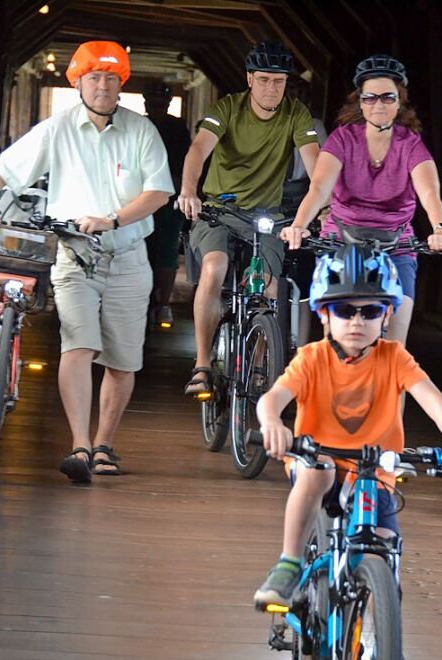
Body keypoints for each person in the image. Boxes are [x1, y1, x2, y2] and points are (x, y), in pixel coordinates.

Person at [252, 245, 442, 660]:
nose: (357, 321)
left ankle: (388, 656)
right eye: (343, 310)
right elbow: (272, 398)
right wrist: (273, 423)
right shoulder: (312, 358)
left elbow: (432, 398)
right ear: (324, 316)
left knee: (384, 552)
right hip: (317, 457)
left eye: (371, 310)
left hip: (374, 468)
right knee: (316, 475)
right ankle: (290, 563)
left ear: (387, 315)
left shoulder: (394, 358)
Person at [0, 40, 173, 482]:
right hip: (73, 255)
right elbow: (9, 169)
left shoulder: (142, 131)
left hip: (128, 256)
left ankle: (105, 443)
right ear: (78, 82)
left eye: (111, 77)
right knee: (78, 345)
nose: (103, 86)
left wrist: (112, 219)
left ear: (121, 83)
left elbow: (158, 192)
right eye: (94, 77)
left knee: (123, 361)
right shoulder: (56, 129)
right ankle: (80, 447)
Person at [177, 41, 321, 396]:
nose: (272, 88)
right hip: (218, 211)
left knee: (271, 285)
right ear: (250, 79)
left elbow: (316, 162)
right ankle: (203, 364)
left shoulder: (296, 114)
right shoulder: (228, 107)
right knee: (214, 267)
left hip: (266, 216)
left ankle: (260, 363)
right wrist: (188, 190)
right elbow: (199, 148)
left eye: (279, 81)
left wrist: (323, 206)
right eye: (265, 80)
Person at [280, 54, 442, 346]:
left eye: (388, 97)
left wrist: (440, 229)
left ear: (400, 102)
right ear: (360, 102)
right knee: (333, 337)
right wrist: (299, 225)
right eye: (370, 98)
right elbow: (320, 186)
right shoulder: (343, 139)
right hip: (342, 240)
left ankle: (388, 389)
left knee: (396, 347)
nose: (379, 105)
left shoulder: (410, 144)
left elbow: (429, 192)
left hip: (396, 245)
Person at [281, 74, 328, 346]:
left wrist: (323, 210)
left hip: (302, 199)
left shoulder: (314, 127)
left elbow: (322, 174)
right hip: (270, 199)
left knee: (304, 280)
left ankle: (300, 348)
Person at [143, 81, 191, 328]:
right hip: (142, 198)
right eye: (152, 103)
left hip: (169, 198)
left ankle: (164, 305)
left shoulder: (176, 128)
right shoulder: (140, 126)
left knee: (167, 251)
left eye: (160, 103)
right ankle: (143, 299)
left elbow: (187, 163)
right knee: (141, 248)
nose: (156, 107)